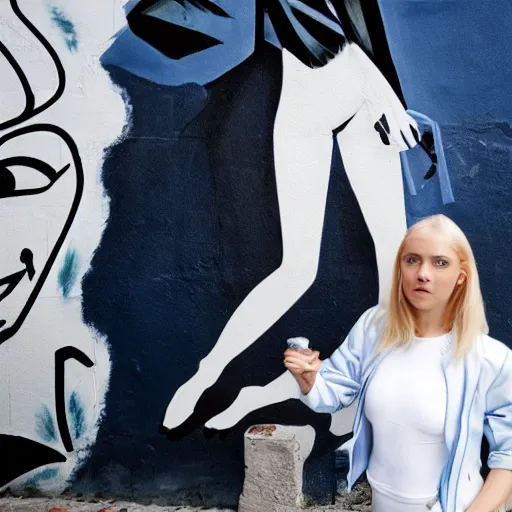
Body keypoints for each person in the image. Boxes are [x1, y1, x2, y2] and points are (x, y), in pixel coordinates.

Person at [284, 214, 512, 512]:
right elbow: (336, 389)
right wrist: (309, 378)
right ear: (400, 268)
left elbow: (508, 455)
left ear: (461, 276)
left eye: (440, 262)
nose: (423, 274)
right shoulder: (374, 329)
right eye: (412, 260)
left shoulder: (489, 359)